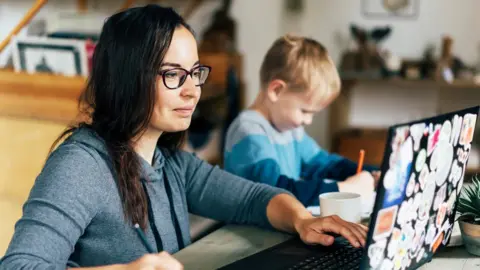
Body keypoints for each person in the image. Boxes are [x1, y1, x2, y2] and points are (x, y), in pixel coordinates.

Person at [0, 5, 368, 270]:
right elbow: (20, 264)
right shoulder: (80, 165)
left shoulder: (170, 162)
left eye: (195, 73)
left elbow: (253, 198)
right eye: (174, 74)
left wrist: (302, 221)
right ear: (129, 79)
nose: (193, 91)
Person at [224, 34, 380, 207]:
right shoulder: (249, 132)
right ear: (276, 91)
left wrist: (371, 172)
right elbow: (278, 192)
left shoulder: (290, 129)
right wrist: (342, 189)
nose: (308, 121)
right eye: (305, 111)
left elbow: (324, 164)